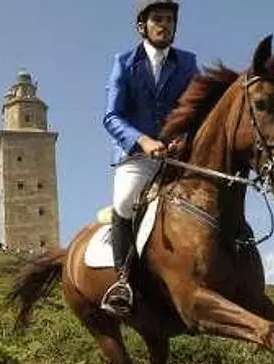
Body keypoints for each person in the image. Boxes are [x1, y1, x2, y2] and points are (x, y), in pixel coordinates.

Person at [100, 0, 199, 317]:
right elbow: (111, 117)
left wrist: (183, 138)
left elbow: (197, 109)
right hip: (136, 156)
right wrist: (142, 141)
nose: (165, 25)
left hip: (178, 155)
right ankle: (123, 282)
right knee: (125, 200)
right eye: (158, 19)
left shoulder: (188, 63)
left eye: (170, 20)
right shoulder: (124, 62)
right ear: (142, 26)